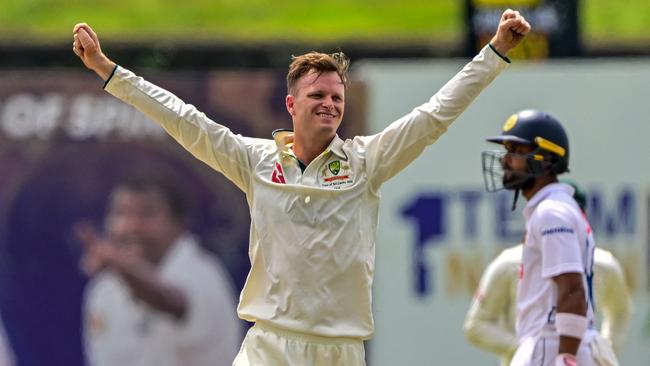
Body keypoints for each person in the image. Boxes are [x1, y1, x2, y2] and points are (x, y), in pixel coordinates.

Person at [72, 10, 531, 365]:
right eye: (318, 96)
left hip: (339, 349)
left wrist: (493, 53)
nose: (329, 105)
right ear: (292, 104)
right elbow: (183, 119)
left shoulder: (366, 163)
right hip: (270, 344)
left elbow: (435, 116)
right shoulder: (255, 161)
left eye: (337, 97)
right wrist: (109, 71)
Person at [481, 110, 620, 366]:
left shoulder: (551, 212)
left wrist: (566, 357)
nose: (505, 160)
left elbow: (571, 288)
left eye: (515, 150)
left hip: (551, 343)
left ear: (545, 159)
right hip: (554, 342)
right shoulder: (554, 207)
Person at [76, 175, 241, 366]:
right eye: (121, 214)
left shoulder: (202, 273)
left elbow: (171, 301)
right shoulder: (103, 289)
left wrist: (121, 268)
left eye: (147, 214)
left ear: (179, 223)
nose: (132, 227)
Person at [464, 183, 632, 366]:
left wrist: (603, 349)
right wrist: (523, 348)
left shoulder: (603, 263)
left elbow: (621, 311)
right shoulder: (508, 263)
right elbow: (476, 325)